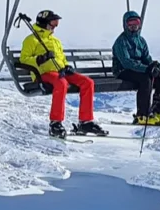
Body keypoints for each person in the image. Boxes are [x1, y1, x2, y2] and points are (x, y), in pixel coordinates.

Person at [20, 9, 106, 138]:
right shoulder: (31, 40)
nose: (55, 27)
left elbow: (62, 59)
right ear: (44, 23)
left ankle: (85, 121)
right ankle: (55, 123)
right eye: (52, 23)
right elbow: (24, 59)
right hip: (44, 73)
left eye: (56, 24)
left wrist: (66, 66)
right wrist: (40, 59)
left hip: (60, 71)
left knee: (87, 82)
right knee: (61, 83)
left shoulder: (55, 41)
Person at [112, 10, 160, 125]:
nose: (134, 27)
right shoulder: (121, 42)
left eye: (136, 24)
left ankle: (158, 110)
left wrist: (154, 66)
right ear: (125, 25)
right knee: (145, 79)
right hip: (123, 71)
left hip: (138, 70)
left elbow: (146, 58)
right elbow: (126, 62)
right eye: (130, 24)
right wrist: (146, 69)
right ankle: (142, 114)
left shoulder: (141, 41)